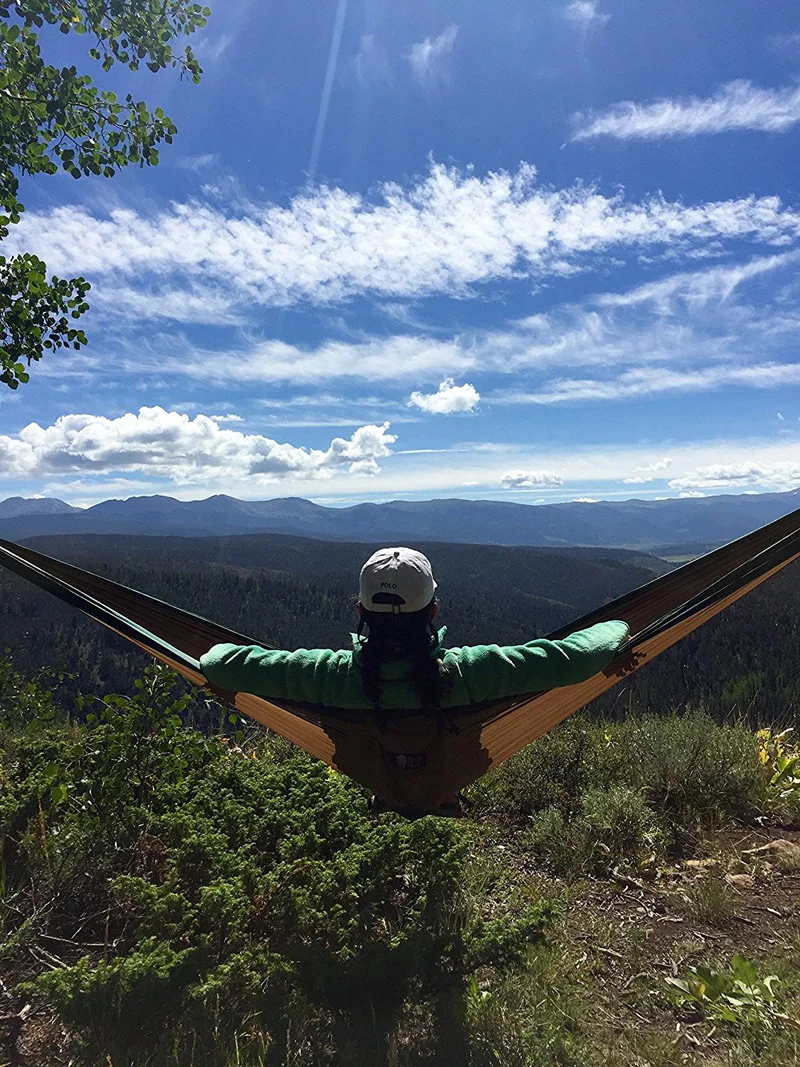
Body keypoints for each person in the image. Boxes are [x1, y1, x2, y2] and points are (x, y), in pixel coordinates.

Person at [200, 546, 630, 711]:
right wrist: (619, 625)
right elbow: (574, 659)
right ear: (433, 612)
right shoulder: (471, 673)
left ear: (359, 610)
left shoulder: (327, 676)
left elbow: (220, 663)